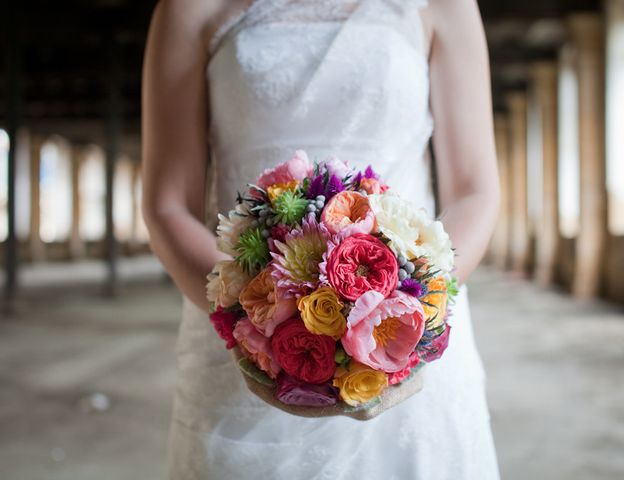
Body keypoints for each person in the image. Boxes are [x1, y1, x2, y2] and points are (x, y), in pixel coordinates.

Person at [142, 0, 501, 478]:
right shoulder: (188, 8)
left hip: (403, 320)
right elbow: (167, 204)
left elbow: (475, 189)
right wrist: (250, 323)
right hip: (242, 328)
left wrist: (416, 310)